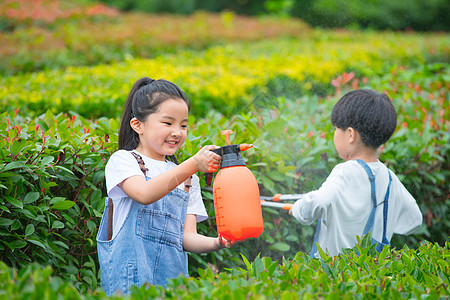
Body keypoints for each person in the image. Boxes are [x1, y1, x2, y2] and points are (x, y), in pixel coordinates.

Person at [96, 77, 231, 296]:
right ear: (137, 125)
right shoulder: (124, 161)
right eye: (168, 123)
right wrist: (193, 164)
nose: (177, 132)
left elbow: (187, 238)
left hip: (174, 285)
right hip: (130, 283)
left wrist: (219, 242)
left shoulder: (189, 179)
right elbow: (144, 193)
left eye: (183, 125)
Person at [289, 89, 422, 258]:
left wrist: (298, 209)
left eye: (336, 129)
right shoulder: (389, 178)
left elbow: (320, 201)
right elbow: (415, 220)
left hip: (334, 276)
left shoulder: (345, 171)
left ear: (350, 134)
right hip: (370, 275)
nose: (335, 134)